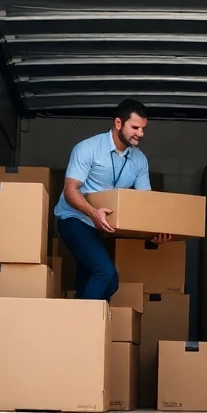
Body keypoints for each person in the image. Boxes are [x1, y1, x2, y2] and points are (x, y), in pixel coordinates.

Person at [55, 98, 171, 300]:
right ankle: (88, 322)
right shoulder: (87, 148)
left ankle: (77, 321)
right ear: (118, 123)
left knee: (95, 281)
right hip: (74, 219)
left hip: (103, 228)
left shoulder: (139, 160)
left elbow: (145, 203)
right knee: (106, 274)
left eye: (143, 129)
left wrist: (154, 233)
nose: (140, 134)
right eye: (135, 127)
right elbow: (70, 190)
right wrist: (93, 213)